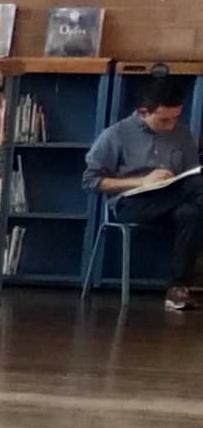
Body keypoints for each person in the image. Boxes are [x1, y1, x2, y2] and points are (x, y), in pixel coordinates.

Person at [84, 72, 199, 313]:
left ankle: (178, 289)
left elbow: (191, 175)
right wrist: (142, 181)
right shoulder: (115, 135)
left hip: (175, 199)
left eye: (175, 118)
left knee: (192, 212)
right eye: (163, 120)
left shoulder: (183, 134)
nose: (171, 126)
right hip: (132, 203)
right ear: (143, 112)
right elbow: (91, 182)